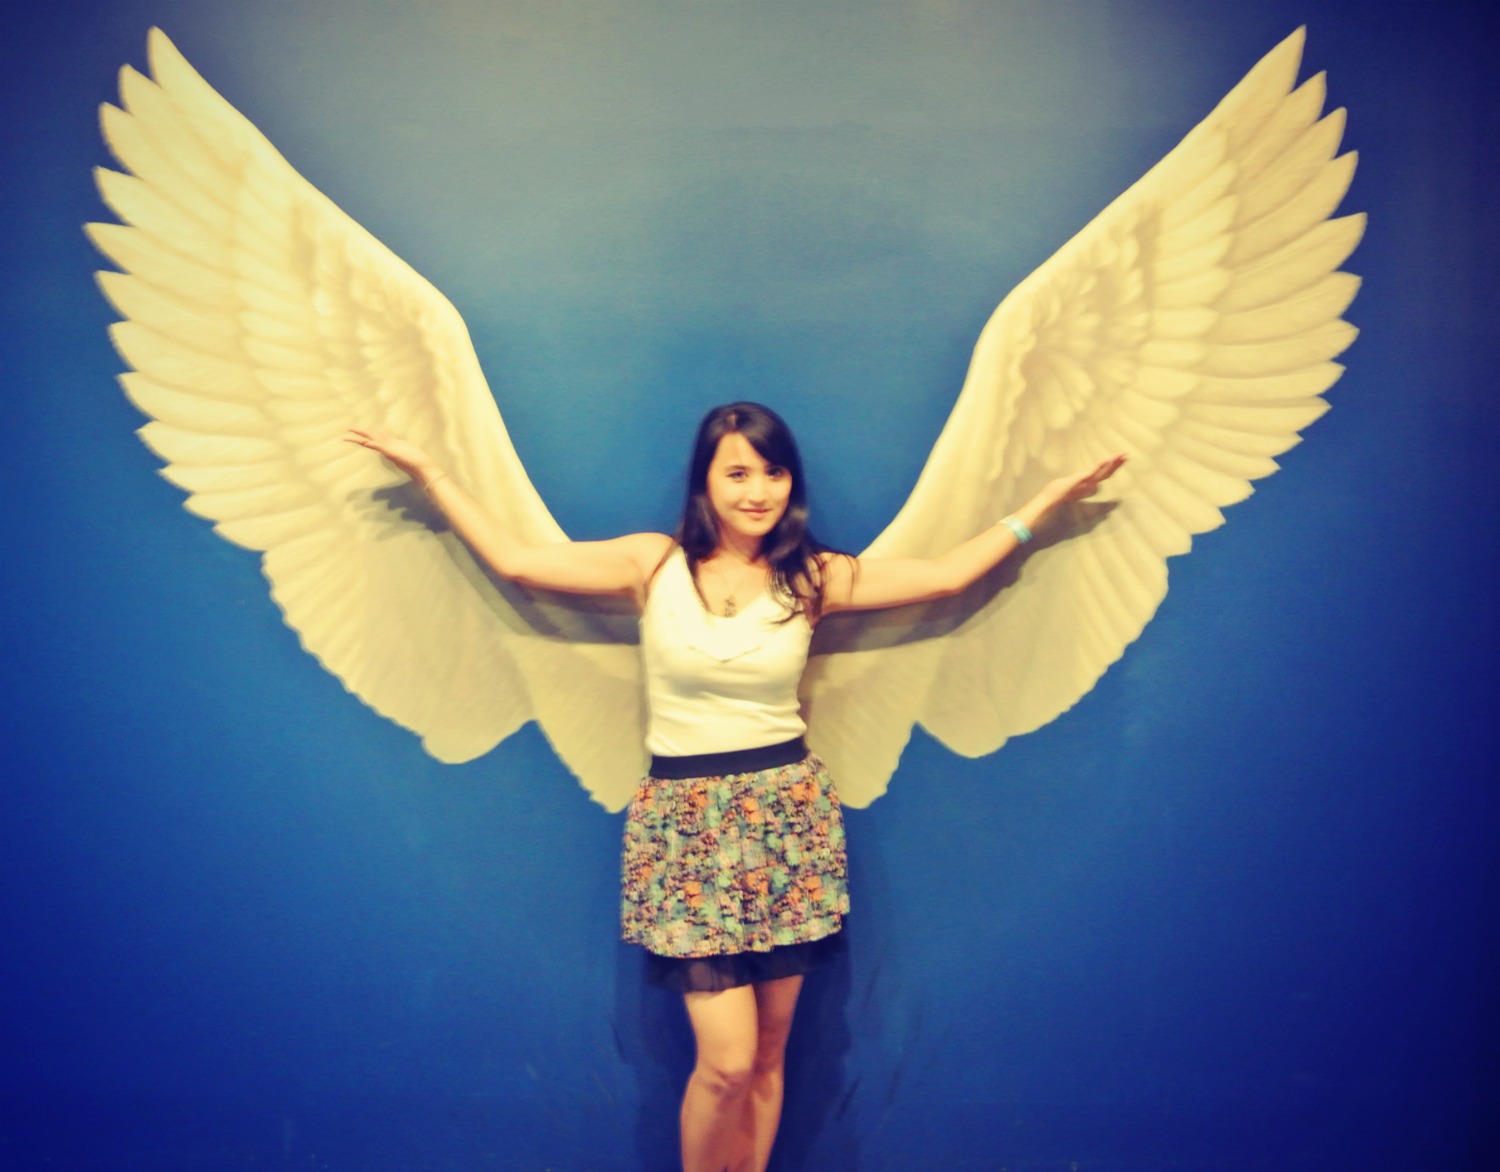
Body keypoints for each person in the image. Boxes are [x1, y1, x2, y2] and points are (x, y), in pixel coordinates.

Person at [346, 403, 1123, 1172]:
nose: (758, 491)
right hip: (684, 826)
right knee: (726, 1062)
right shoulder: (652, 564)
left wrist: (1043, 505)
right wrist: (429, 470)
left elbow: (947, 576)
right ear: (706, 482)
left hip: (787, 819)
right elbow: (517, 562)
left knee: (768, 1056)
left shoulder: (813, 576)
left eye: (773, 472)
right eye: (739, 473)